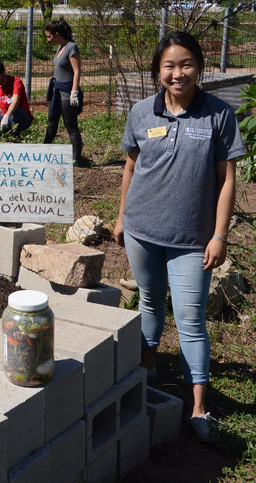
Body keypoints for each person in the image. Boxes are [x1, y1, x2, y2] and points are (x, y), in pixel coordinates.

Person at [112, 31, 244, 444]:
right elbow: (130, 170)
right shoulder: (140, 113)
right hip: (142, 231)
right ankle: (149, 367)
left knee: (191, 320)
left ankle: (199, 408)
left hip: (192, 240)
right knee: (149, 299)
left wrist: (219, 235)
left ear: (199, 68)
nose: (178, 73)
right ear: (158, 71)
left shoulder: (219, 114)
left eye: (186, 64)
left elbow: (227, 181)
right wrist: (120, 218)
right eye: (169, 65)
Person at [43, 18, 83, 165]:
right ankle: (44, 150)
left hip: (67, 92)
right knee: (52, 121)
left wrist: (74, 92)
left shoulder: (71, 47)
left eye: (49, 36)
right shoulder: (60, 48)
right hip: (58, 91)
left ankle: (76, 159)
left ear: (57, 34)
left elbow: (77, 71)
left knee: (70, 125)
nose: (48, 40)